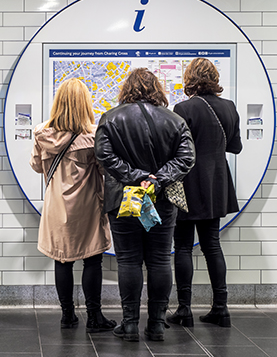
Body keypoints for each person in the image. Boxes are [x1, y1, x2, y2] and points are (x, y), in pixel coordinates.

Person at [95, 68, 195, 342]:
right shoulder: (175, 120)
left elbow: (104, 155)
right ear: (157, 89)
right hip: (162, 199)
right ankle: (157, 324)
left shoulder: (111, 118)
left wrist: (135, 177)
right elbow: (186, 158)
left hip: (123, 200)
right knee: (160, 259)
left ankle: (129, 325)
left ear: (127, 89)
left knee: (128, 260)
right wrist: (157, 179)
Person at [30, 78, 116, 333]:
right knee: (92, 260)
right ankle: (94, 316)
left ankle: (67, 315)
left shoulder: (42, 132)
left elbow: (36, 166)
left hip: (57, 206)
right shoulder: (94, 134)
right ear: (85, 104)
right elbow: (103, 169)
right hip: (88, 205)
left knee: (62, 260)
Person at [167, 58, 242, 328]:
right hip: (217, 183)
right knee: (212, 244)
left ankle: (184, 309)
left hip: (188, 183)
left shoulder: (183, 108)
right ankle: (220, 308)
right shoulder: (230, 107)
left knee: (183, 246)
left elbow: (175, 149)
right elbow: (236, 147)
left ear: (190, 78)